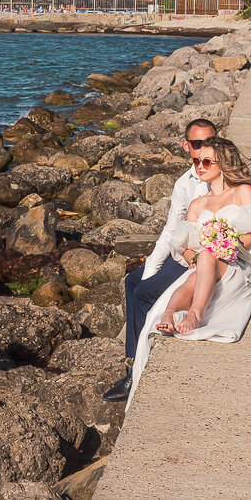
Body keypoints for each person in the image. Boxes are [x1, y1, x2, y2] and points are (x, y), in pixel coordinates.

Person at [126, 136, 251, 409]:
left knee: (207, 258)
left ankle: (194, 315)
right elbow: (184, 248)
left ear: (222, 162)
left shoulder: (243, 191)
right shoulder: (198, 205)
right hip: (205, 265)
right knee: (195, 271)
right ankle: (171, 314)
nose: (199, 166)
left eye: (206, 161)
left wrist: (229, 244)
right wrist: (195, 255)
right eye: (196, 161)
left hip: (237, 264)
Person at [102, 119, 216, 402]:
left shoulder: (220, 178)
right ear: (186, 146)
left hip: (206, 259)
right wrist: (150, 270)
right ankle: (134, 361)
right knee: (133, 280)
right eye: (198, 144)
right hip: (184, 254)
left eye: (210, 141)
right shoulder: (183, 184)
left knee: (142, 294)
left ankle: (139, 375)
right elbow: (170, 231)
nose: (204, 149)